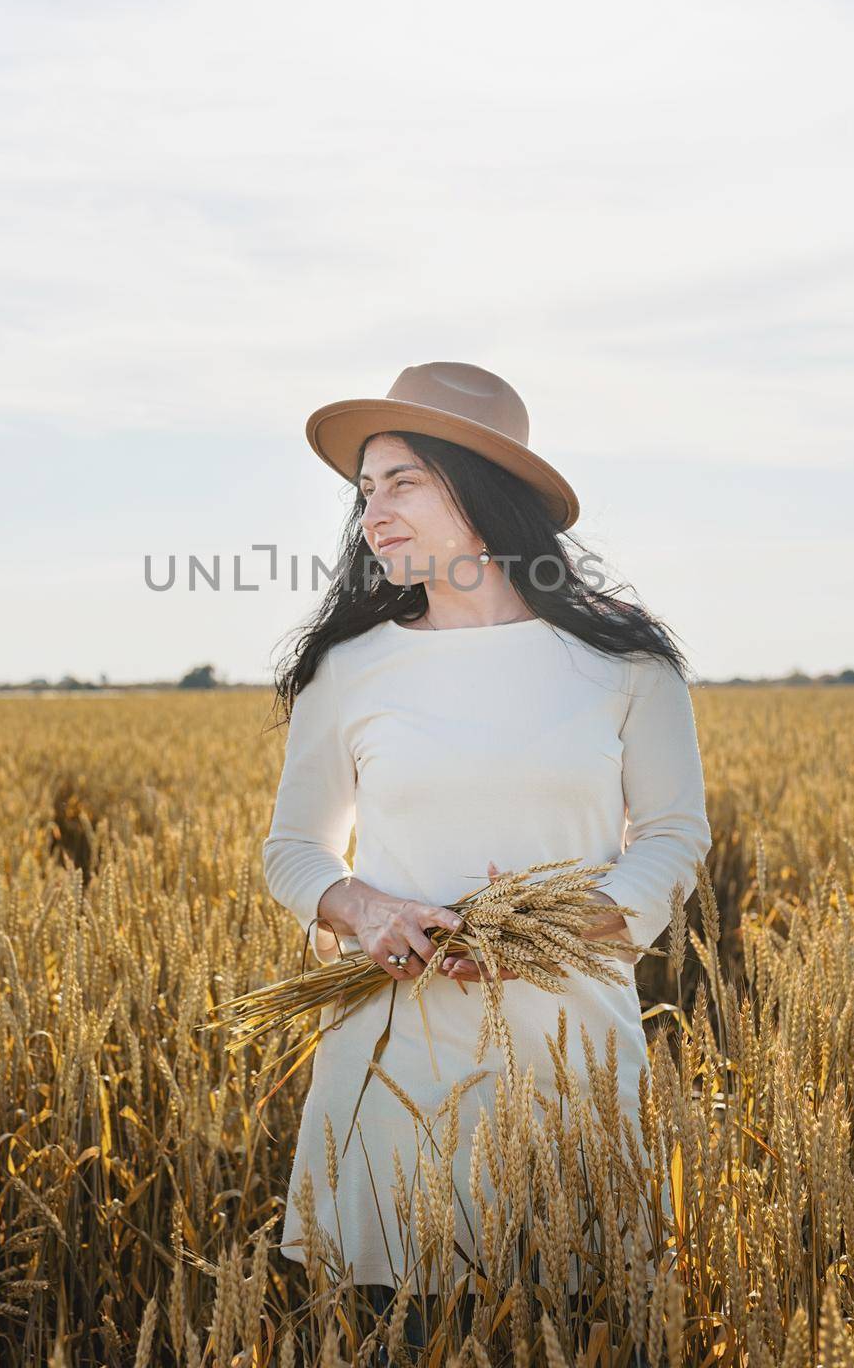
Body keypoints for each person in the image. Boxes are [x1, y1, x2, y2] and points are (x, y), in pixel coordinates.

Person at [261, 360, 712, 1339]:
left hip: (571, 1052)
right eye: (365, 489)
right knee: (397, 1332)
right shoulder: (350, 667)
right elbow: (295, 850)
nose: (373, 512)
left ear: (482, 487)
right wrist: (368, 912)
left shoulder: (624, 662)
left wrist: (568, 923)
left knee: (590, 1329)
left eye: (403, 482)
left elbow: (676, 834)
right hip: (388, 1063)